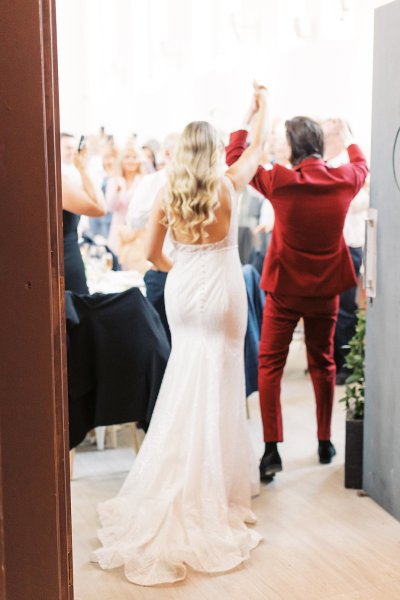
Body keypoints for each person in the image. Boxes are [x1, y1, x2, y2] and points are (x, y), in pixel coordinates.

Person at [93, 84, 268, 586]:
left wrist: (186, 269)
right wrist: (260, 108)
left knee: (186, 375)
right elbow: (254, 149)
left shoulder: (170, 192)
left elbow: (152, 255)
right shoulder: (228, 188)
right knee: (219, 383)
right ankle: (218, 492)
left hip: (184, 288)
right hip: (222, 292)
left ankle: (179, 475)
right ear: (212, 152)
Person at [226, 111, 368, 481]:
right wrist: (349, 135)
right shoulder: (344, 180)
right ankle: (325, 441)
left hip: (285, 291)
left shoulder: (280, 181)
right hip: (325, 292)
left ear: (294, 148)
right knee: (323, 364)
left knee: (270, 364)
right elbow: (361, 163)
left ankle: (272, 448)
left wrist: (248, 118)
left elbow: (234, 160)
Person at [323, 118, 369, 384]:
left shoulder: (348, 163)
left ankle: (346, 365)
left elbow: (359, 200)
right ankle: (333, 360)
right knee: (330, 306)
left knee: (345, 308)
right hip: (329, 247)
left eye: (332, 134)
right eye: (325, 134)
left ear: (342, 136)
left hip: (349, 245)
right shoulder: (325, 164)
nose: (327, 139)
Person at [127, 132, 180, 339]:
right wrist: (160, 206)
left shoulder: (199, 184)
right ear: (167, 154)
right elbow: (133, 221)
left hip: (188, 275)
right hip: (161, 272)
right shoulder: (152, 183)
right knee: (160, 340)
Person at [62, 149, 106, 294]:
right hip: (66, 261)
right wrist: (83, 168)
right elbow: (99, 207)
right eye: (67, 147)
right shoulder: (55, 180)